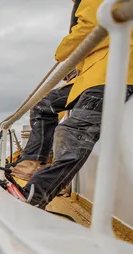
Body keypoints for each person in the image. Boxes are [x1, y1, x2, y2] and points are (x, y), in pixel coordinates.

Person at [15, 0, 133, 208]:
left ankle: (36, 194)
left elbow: (88, 27)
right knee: (44, 105)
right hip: (91, 75)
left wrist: (62, 53)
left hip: (116, 71)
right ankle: (32, 162)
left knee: (72, 132)